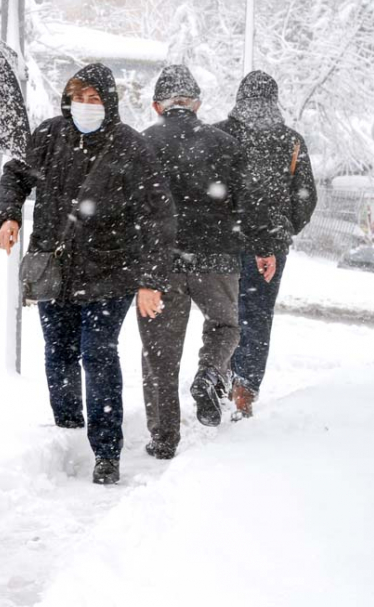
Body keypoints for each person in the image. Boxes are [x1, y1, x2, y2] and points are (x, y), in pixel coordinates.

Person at [0, 63, 175, 485]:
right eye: (79, 97)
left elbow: (157, 216)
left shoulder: (130, 146)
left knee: (98, 354)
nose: (86, 106)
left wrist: (151, 280)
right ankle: (68, 428)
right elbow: (15, 176)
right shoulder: (49, 136)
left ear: (108, 103)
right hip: (55, 269)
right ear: (67, 99)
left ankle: (106, 451)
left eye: (94, 99)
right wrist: (8, 216)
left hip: (111, 272)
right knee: (58, 352)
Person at [138, 65, 277, 458]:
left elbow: (132, 209)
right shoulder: (226, 144)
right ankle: (210, 372)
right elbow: (250, 203)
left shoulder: (143, 144)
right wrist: (263, 246)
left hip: (161, 263)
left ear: (156, 105)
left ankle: (164, 438)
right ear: (197, 104)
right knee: (226, 325)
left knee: (159, 353)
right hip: (217, 259)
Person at [215, 71, 317, 418]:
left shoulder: (219, 134)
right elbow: (306, 198)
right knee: (256, 317)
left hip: (223, 242)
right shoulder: (291, 141)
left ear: (240, 98)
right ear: (274, 100)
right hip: (270, 248)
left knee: (223, 315)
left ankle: (217, 377)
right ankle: (244, 391)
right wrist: (285, 228)